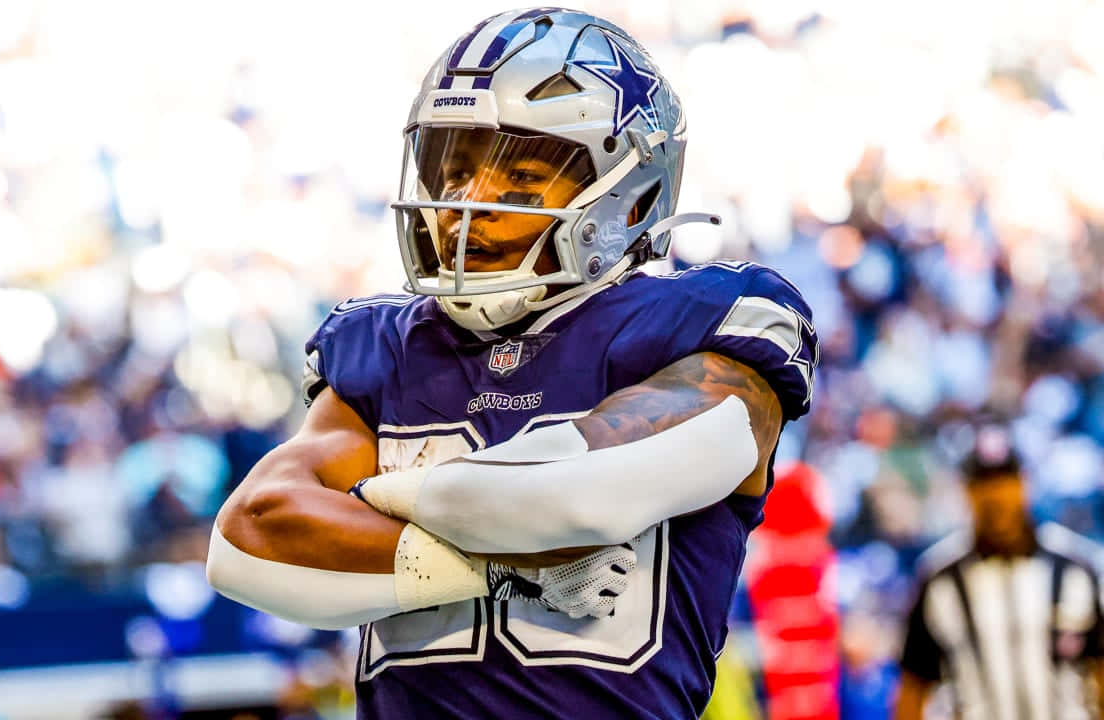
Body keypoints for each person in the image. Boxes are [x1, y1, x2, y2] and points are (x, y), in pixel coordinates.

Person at [208, 8, 817, 718]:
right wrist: (501, 567)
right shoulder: (384, 342)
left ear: (634, 193)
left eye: (523, 176)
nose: (470, 203)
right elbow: (249, 538)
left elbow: (580, 492)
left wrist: (375, 501)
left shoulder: (706, 321)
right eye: (455, 168)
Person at [895, 425, 1104, 720]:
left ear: (1024, 483)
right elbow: (914, 685)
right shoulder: (939, 578)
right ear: (967, 491)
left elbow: (1099, 667)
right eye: (984, 484)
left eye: (1005, 482)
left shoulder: (1075, 567)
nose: (995, 497)